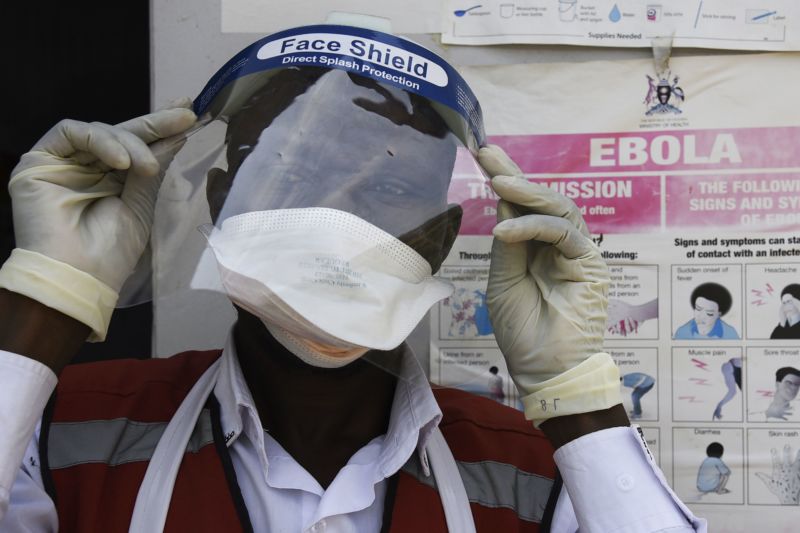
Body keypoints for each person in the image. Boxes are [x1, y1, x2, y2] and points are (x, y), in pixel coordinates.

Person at [0, 21, 704, 533]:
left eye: (390, 187)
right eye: (297, 175)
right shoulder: (68, 430)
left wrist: (574, 390)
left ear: (438, 240)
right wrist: (47, 298)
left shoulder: (530, 471)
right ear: (219, 203)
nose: (338, 216)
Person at [674, 282, 739, 340]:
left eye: (709, 313)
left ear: (718, 314)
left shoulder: (731, 334)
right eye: (698, 309)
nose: (701, 316)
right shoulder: (681, 332)